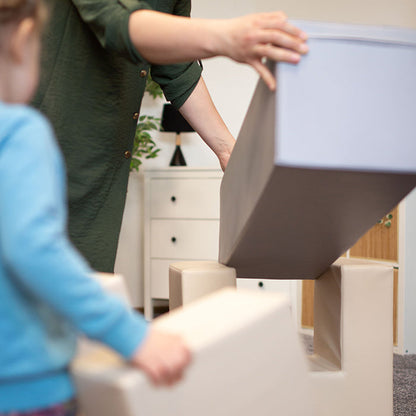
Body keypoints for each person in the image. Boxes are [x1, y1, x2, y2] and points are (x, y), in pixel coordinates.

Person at [0, 1, 191, 414]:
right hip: (27, 388)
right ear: (21, 44)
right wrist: (133, 334)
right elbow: (34, 249)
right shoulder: (21, 132)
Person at [33, 0, 309, 273]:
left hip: (101, 164)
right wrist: (224, 37)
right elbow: (118, 22)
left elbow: (176, 67)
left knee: (78, 287)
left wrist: (227, 150)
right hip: (45, 147)